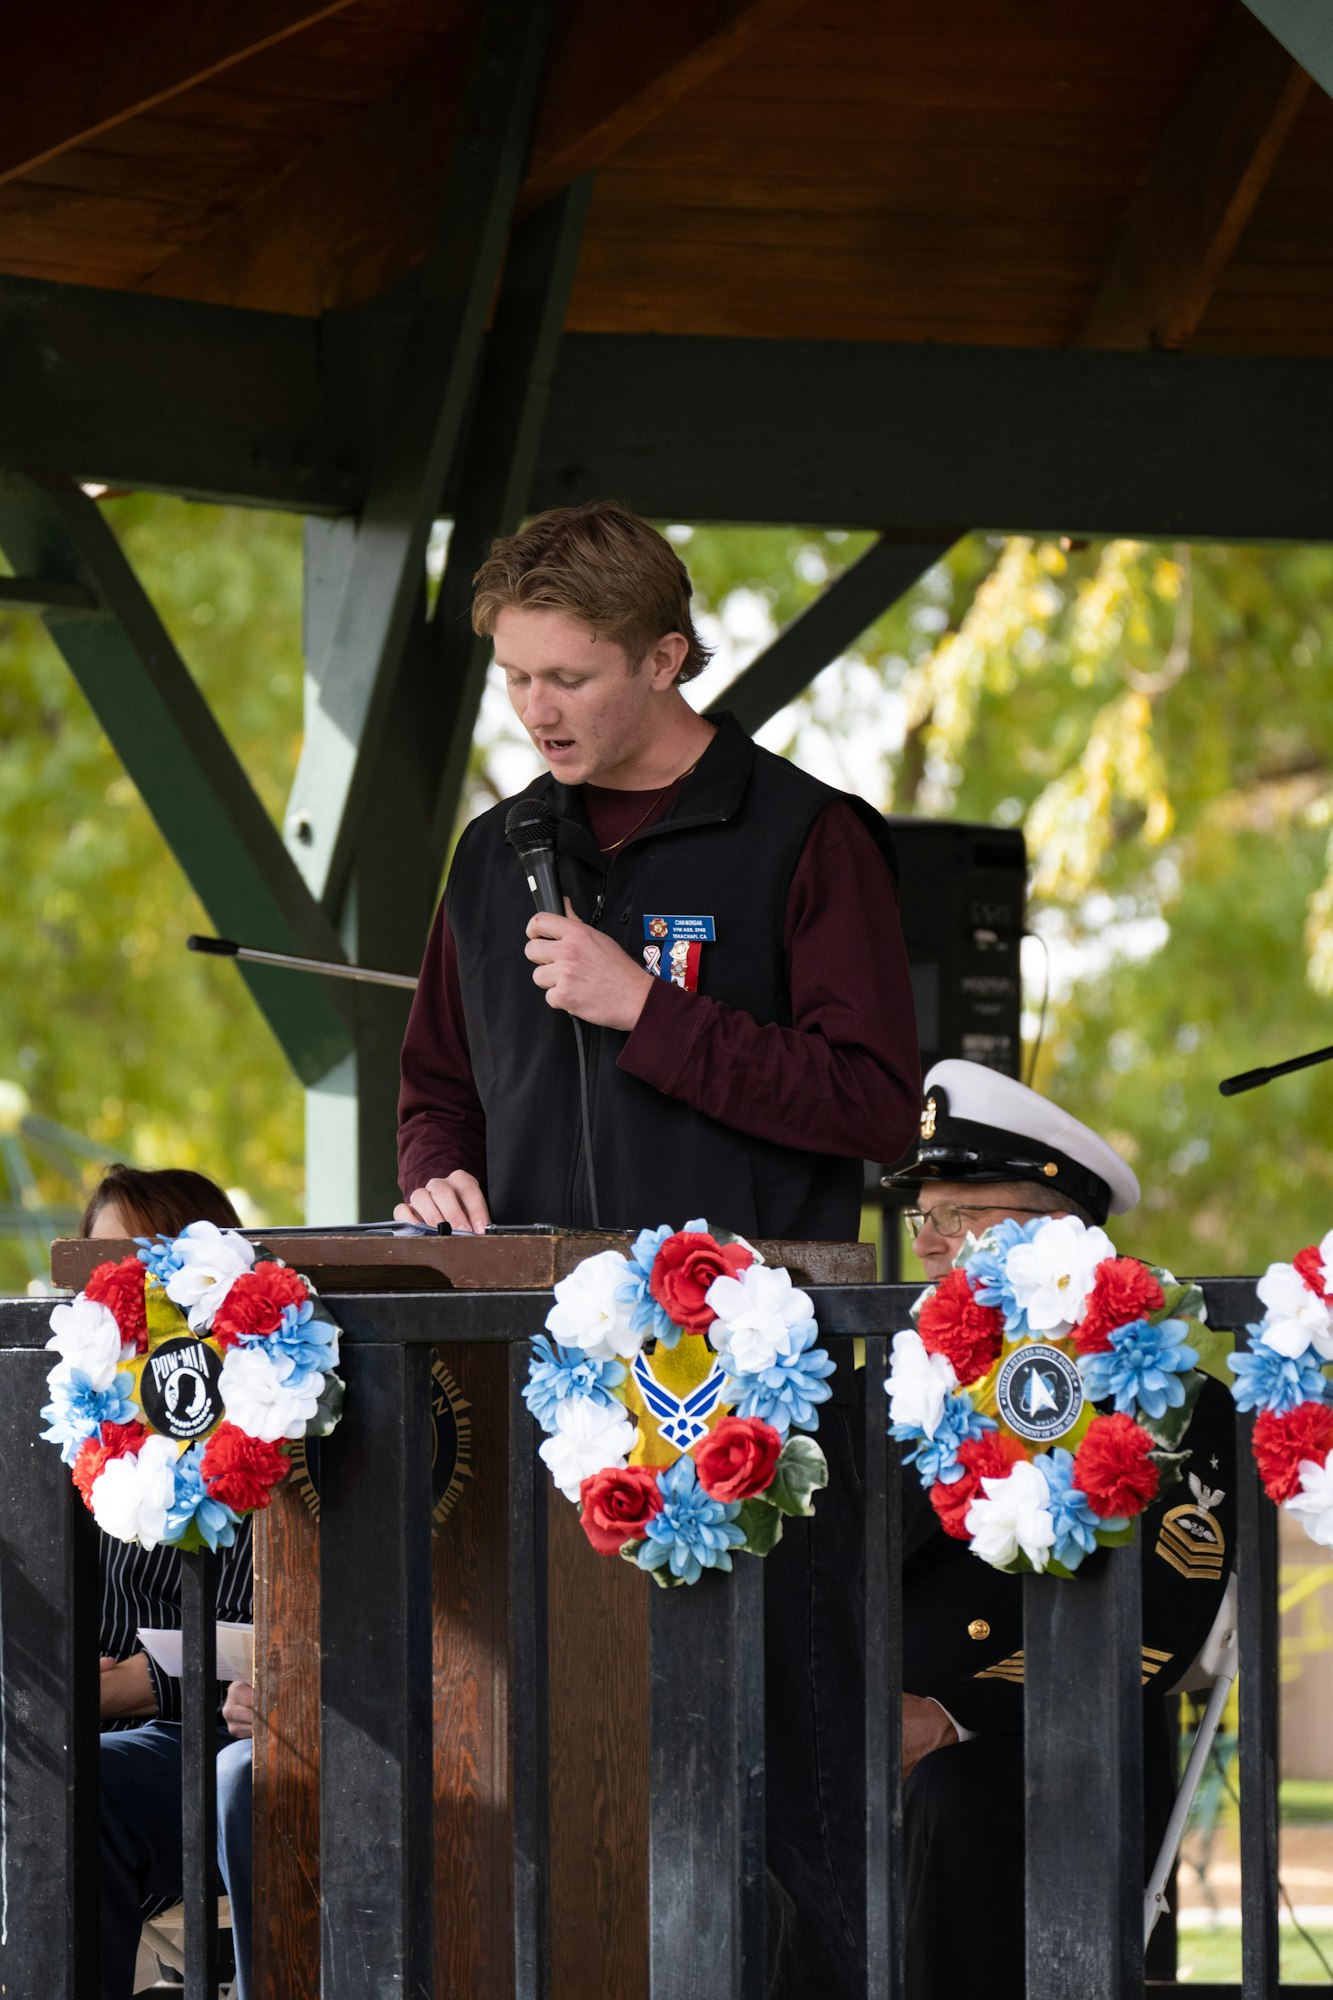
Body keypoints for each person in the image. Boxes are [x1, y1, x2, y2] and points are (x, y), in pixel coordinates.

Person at [396, 500, 921, 1991]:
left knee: (790, 1807)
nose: (534, 710)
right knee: (554, 1795)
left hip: (753, 1410)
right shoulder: (498, 855)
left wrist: (652, 1014)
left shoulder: (806, 839)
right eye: (513, 677)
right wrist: (438, 1175)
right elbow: (437, 1087)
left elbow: (876, 1105)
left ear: (667, 656)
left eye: (566, 676)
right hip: (533, 1411)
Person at [883, 1061, 1236, 2000]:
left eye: (966, 1217)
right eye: (926, 1217)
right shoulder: (898, 1384)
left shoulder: (1166, 1396)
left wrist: (949, 1720)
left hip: (1044, 1754)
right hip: (877, 1736)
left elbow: (1157, 1623)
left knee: (948, 1801)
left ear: (1061, 1236)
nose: (932, 1245)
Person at [84, 1166, 254, 2000]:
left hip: (212, 1729)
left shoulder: (259, 1406)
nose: (116, 1288)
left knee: (84, 1786)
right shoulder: (82, 1416)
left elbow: (268, 1624)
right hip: (94, 1719)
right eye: (95, 1267)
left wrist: (136, 1684)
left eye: (141, 1265)